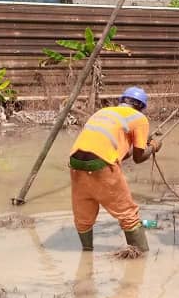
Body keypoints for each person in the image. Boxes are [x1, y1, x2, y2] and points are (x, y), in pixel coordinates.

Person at [68, 86, 161, 252]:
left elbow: (116, 150)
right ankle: (141, 258)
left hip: (76, 164)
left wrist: (134, 144)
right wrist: (153, 146)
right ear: (141, 107)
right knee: (128, 214)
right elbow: (138, 158)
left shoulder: (103, 112)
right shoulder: (140, 119)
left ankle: (87, 256)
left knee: (83, 216)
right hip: (101, 166)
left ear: (122, 101)